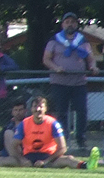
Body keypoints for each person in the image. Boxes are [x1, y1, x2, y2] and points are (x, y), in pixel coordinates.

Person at [0, 96, 99, 169]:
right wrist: (22, 159)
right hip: (29, 157)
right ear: (31, 109)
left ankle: (87, 165)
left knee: (69, 159)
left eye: (41, 106)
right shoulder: (25, 123)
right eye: (35, 106)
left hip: (49, 158)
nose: (38, 109)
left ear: (45, 109)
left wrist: (46, 161)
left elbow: (63, 148)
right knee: (3, 160)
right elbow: (14, 144)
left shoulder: (53, 123)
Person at [42, 12, 98, 150]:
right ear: (62, 25)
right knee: (61, 112)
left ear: (76, 24)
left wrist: (93, 66)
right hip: (59, 83)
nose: (70, 24)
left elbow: (90, 59)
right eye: (67, 22)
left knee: (82, 111)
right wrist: (56, 68)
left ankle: (81, 140)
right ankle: (63, 141)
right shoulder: (54, 40)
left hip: (79, 83)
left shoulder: (82, 41)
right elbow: (46, 59)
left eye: (72, 22)